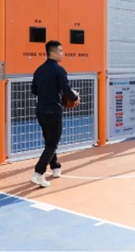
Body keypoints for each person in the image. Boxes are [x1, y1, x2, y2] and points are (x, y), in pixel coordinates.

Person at [30, 40, 80, 188]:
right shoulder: (59, 70)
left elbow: (34, 90)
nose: (62, 53)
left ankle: (55, 167)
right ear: (52, 54)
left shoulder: (38, 70)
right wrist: (76, 98)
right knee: (52, 143)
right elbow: (66, 90)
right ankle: (38, 173)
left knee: (49, 142)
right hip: (53, 111)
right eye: (60, 51)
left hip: (41, 111)